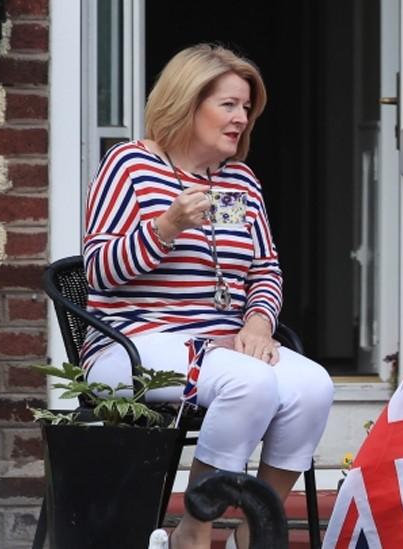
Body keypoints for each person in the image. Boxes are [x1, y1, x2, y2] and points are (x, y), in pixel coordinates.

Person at [81, 44, 334, 549]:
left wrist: (258, 323)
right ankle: (194, 531)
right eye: (229, 105)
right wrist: (166, 227)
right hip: (131, 343)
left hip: (222, 345)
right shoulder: (130, 165)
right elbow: (99, 272)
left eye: (246, 108)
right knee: (251, 384)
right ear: (186, 102)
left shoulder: (238, 181)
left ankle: (257, 525)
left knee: (313, 386)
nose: (241, 119)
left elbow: (263, 268)